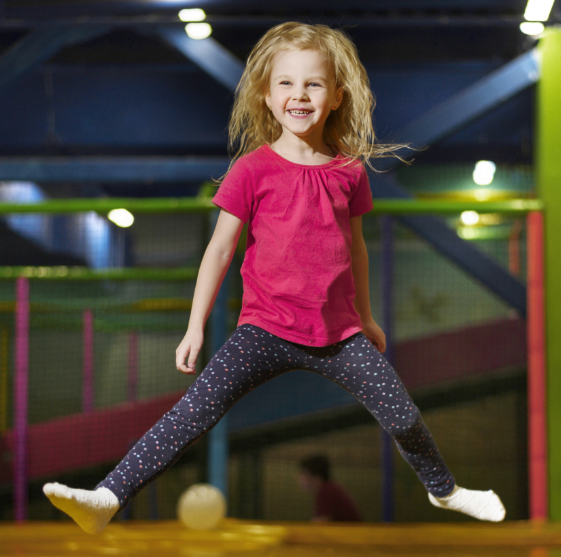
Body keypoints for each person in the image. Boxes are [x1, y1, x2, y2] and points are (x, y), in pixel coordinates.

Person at [43, 22, 506, 534]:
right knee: (193, 413)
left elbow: (355, 249)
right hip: (264, 328)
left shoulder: (349, 171)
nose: (299, 94)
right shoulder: (252, 169)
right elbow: (219, 250)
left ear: (336, 96)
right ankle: (107, 496)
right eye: (285, 83)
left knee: (403, 418)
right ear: (266, 95)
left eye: (313, 83)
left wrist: (367, 318)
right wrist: (195, 325)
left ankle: (446, 491)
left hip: (338, 334)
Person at [298, 455, 362, 522]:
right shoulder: (329, 488)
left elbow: (320, 524)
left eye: (303, 474)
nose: (300, 478)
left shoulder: (326, 492)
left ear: (316, 476)